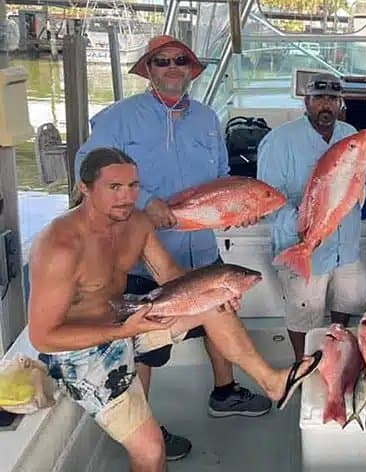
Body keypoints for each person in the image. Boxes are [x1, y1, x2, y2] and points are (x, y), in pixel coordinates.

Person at [29, 148, 321, 472]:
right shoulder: (59, 246)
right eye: (115, 188)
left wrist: (216, 291)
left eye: (133, 186)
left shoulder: (136, 223)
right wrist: (120, 332)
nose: (127, 197)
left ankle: (272, 381)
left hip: (127, 323)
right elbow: (43, 338)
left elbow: (170, 276)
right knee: (152, 453)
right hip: (80, 352)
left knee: (215, 304)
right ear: (85, 188)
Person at [74, 35, 270, 461]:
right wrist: (144, 203)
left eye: (181, 60)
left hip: (200, 243)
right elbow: (86, 168)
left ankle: (225, 391)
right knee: (147, 337)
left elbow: (222, 178)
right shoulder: (120, 118)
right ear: (148, 69)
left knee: (220, 312)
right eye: (162, 61)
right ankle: (145, 427)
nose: (172, 67)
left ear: (191, 69)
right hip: (141, 249)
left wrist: (238, 211)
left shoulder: (207, 120)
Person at [257, 72, 366, 360]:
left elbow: (360, 179)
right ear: (306, 101)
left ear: (340, 103)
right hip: (302, 246)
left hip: (346, 248)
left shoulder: (348, 134)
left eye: (332, 99)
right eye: (319, 98)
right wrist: (304, 229)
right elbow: (267, 199)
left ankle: (334, 351)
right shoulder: (279, 141)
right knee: (303, 314)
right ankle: (304, 364)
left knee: (345, 300)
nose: (326, 105)